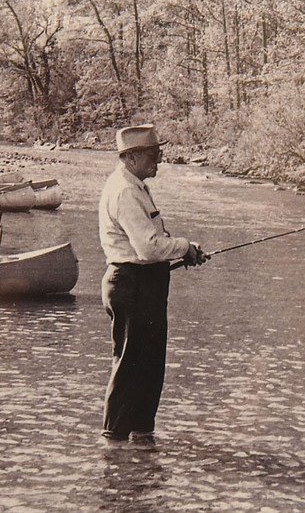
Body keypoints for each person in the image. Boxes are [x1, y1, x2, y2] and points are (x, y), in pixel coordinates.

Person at [98, 124, 208, 443]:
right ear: (130, 157)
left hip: (144, 285)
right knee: (130, 366)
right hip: (131, 285)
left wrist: (186, 251)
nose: (158, 159)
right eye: (152, 154)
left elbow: (155, 242)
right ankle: (113, 444)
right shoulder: (124, 191)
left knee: (149, 368)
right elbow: (148, 248)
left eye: (158, 153)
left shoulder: (137, 185)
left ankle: (141, 444)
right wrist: (185, 247)